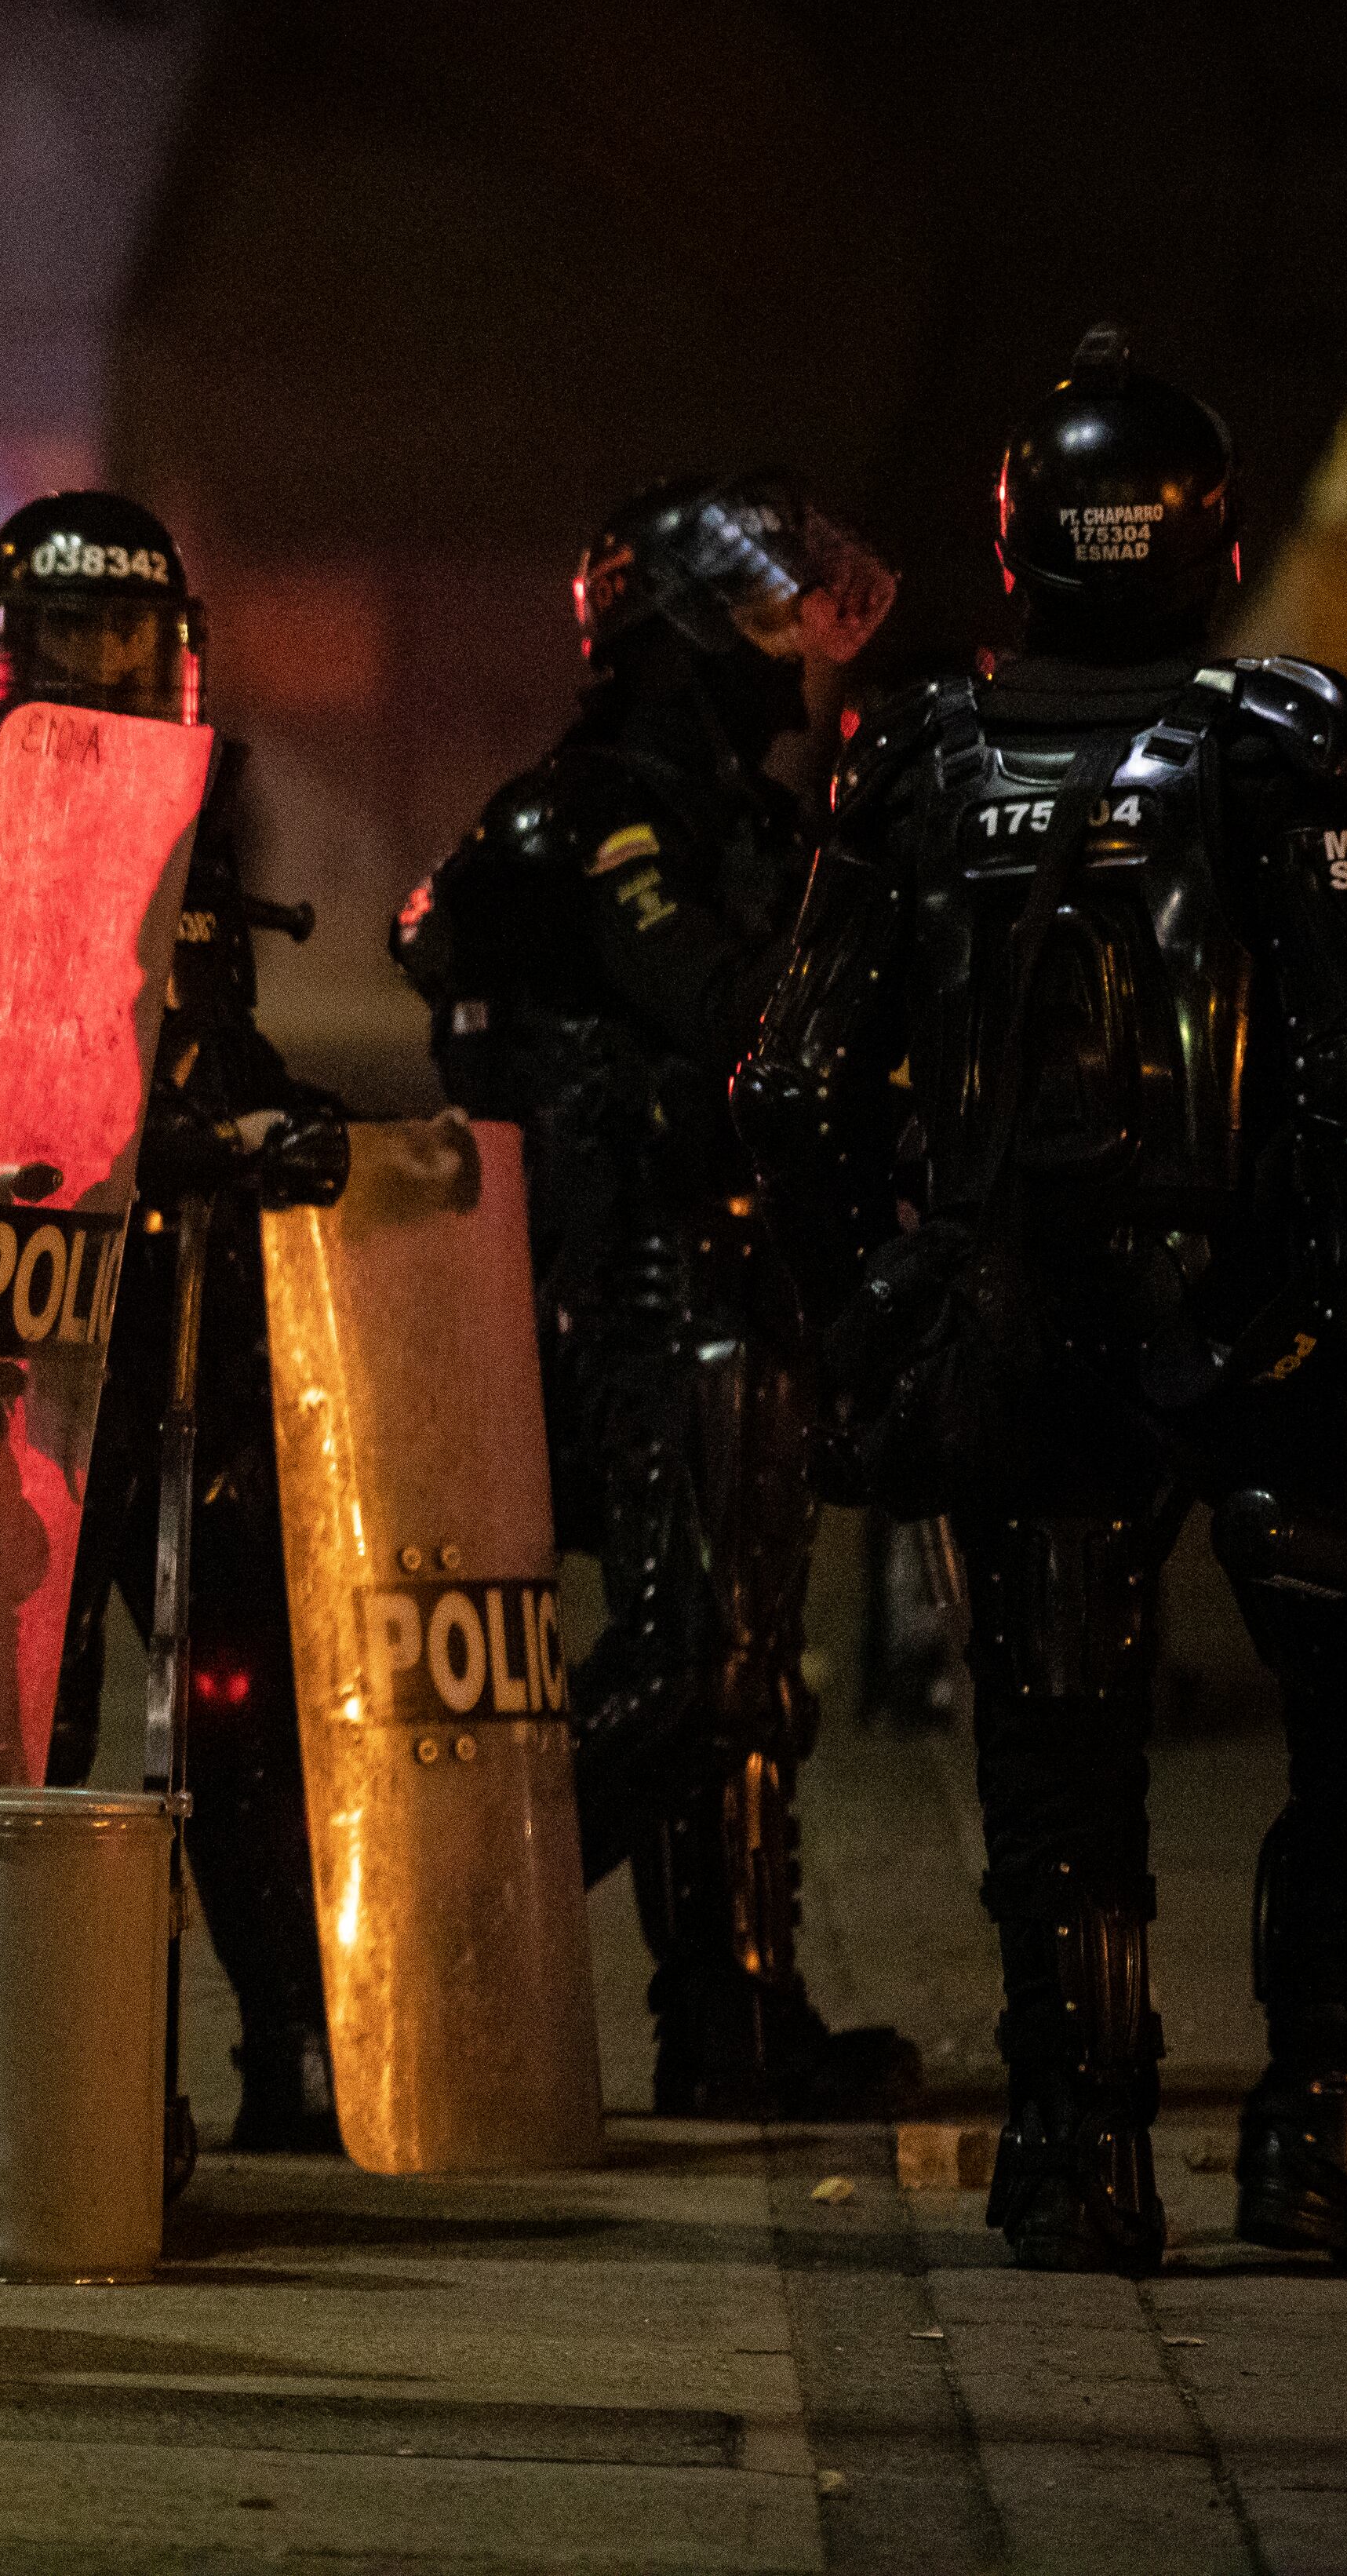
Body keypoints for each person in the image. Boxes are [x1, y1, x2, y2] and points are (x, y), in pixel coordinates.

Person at [741, 327, 1347, 2274]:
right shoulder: (1285, 738)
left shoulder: (911, 763)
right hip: (1258, 1325)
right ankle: (1320, 2124)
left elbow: (792, 1089)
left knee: (1056, 1750)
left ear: (1017, 539)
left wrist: (870, 1317)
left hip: (1010, 1325)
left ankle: (1074, 2149)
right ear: (1209, 537)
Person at [0, 490, 351, 2150]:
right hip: (29, 1335)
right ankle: (35, 2055)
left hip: (193, 1317)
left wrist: (292, 1121)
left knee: (243, 1697)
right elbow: (19, 1096)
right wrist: (194, 1140)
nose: (102, 670)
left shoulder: (204, 808)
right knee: (28, 1702)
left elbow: (202, 1044)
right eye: (70, 640)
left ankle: (294, 2050)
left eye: (127, 638)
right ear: (0, 659)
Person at [394, 468, 920, 2119]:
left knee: (756, 1665)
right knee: (696, 1667)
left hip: (738, 1274)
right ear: (680, 631)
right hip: (631, 1285)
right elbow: (721, 1012)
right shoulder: (591, 813)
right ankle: (442, 1939)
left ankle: (738, 2012)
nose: (790, 652)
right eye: (763, 617)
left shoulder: (731, 810)